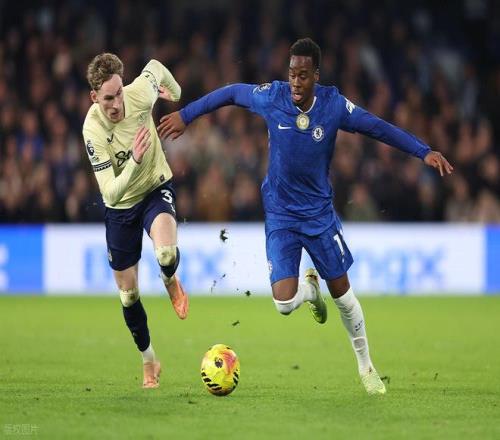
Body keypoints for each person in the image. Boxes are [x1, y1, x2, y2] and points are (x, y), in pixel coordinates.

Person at [157, 38, 453, 395]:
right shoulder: (273, 97)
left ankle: (367, 368)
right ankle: (310, 291)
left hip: (319, 216)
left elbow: (376, 126)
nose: (295, 82)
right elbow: (233, 92)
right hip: (281, 214)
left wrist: (422, 151)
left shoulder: (333, 105)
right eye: (291, 74)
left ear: (316, 76)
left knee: (343, 296)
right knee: (283, 303)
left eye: (302, 75)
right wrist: (186, 115)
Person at [83, 53, 189, 389]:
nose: (117, 104)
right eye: (108, 98)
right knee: (128, 296)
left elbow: (156, 67)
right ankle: (149, 360)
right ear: (94, 97)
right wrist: (134, 160)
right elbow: (110, 194)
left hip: (155, 187)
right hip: (121, 208)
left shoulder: (140, 93)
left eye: (119, 93)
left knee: (166, 254)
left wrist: (174, 93)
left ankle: (170, 279)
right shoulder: (92, 130)